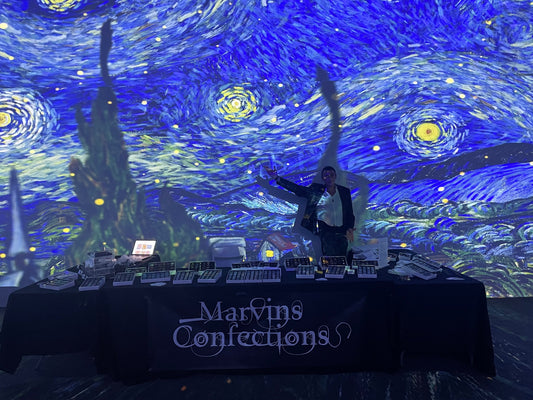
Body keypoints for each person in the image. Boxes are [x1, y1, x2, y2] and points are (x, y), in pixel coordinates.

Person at [264, 165, 355, 258]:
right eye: (326, 175)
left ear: (335, 176)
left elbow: (349, 212)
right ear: (323, 178)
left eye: (331, 175)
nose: (329, 178)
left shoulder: (344, 191)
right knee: (324, 259)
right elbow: (296, 189)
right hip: (323, 231)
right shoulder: (315, 190)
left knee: (341, 259)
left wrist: (350, 228)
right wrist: (277, 178)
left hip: (341, 231)